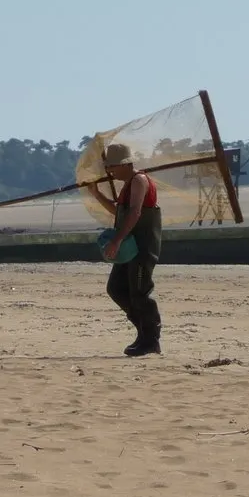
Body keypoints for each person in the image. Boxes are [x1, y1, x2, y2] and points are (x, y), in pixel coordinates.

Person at [87, 143, 162, 357]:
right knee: (116, 288)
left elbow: (135, 212)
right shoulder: (127, 184)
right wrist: (97, 194)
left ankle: (151, 340)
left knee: (139, 291)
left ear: (125, 164)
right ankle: (142, 330)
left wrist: (117, 240)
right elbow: (118, 210)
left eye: (112, 167)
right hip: (129, 247)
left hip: (142, 246)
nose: (110, 171)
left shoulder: (139, 180)